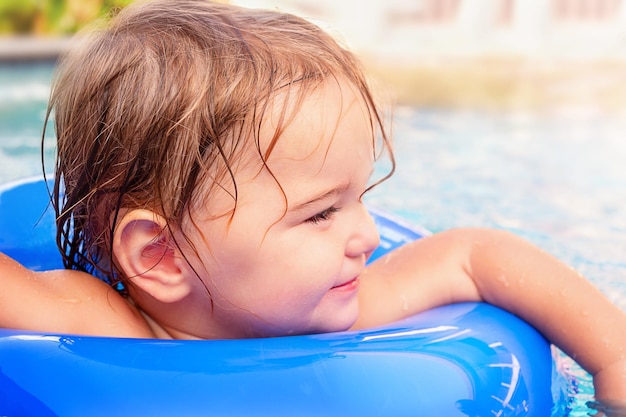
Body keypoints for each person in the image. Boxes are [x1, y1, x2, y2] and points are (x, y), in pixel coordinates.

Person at [0, 0, 625, 404]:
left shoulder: (348, 307)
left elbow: (473, 255)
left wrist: (613, 358)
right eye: (323, 213)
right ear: (162, 254)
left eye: (361, 197)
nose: (368, 238)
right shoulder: (93, 325)